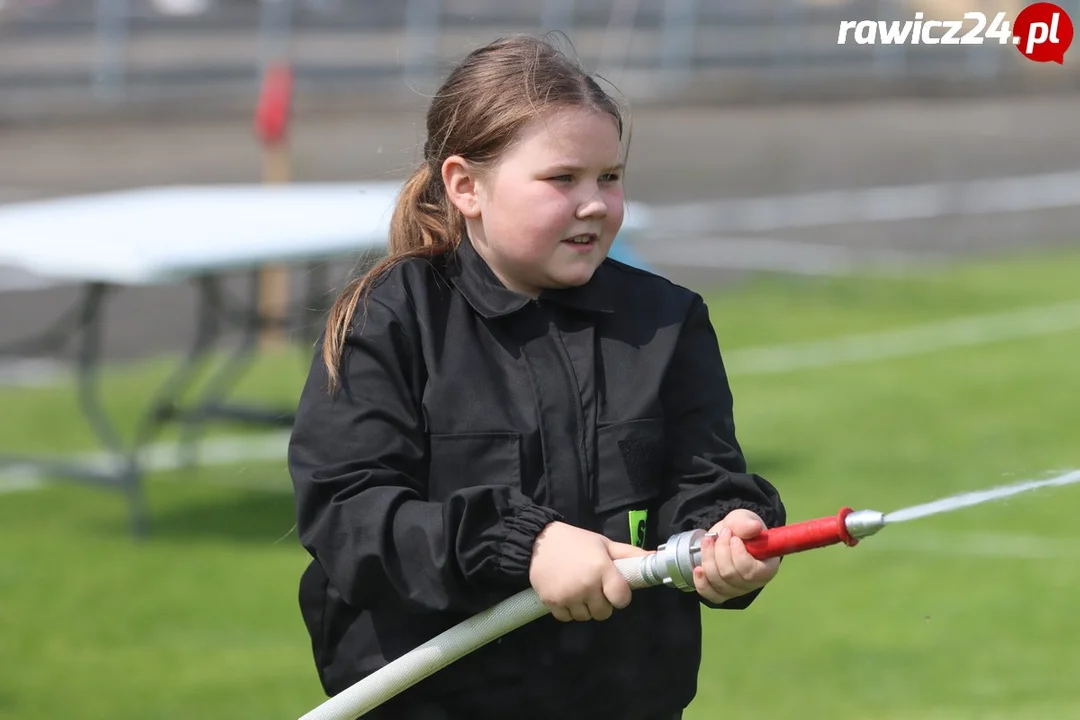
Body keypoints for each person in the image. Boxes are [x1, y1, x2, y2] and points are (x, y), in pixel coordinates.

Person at [288, 33, 786, 720]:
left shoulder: (668, 321)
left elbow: (702, 480)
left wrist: (726, 534)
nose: (595, 204)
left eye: (609, 177)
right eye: (562, 180)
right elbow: (352, 515)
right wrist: (528, 546)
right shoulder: (391, 320)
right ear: (465, 185)